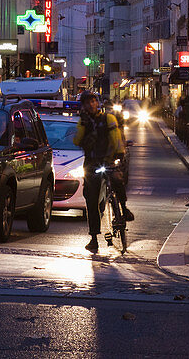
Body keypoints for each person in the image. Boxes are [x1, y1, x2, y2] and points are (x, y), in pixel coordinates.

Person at [74, 90, 134, 254]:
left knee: (117, 180)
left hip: (108, 159)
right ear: (84, 106)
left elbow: (115, 138)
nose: (91, 105)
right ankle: (94, 238)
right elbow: (77, 140)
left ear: (97, 103)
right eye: (87, 102)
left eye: (93, 101)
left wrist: (119, 155)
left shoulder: (108, 118)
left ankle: (124, 208)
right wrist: (83, 125)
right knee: (91, 199)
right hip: (92, 163)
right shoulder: (84, 121)